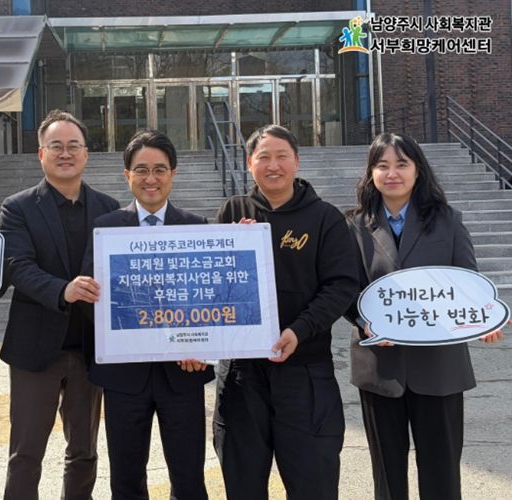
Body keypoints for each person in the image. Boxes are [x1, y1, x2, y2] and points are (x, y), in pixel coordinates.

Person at [345, 132, 507, 500]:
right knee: (388, 478)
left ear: (418, 170)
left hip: (440, 369)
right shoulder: (354, 225)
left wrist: (484, 319)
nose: (392, 173)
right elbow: (345, 288)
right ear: (371, 173)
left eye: (402, 164)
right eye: (382, 165)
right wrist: (364, 322)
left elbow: (467, 282)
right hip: (380, 368)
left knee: (442, 475)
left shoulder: (448, 220)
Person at [212, 124, 359, 500]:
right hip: (242, 374)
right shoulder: (233, 211)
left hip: (305, 371)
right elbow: (213, 283)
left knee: (313, 483)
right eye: (263, 157)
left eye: (281, 156)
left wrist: (299, 330)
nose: (273, 165)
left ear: (297, 161)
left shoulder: (325, 218)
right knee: (242, 483)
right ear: (250, 163)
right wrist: (231, 251)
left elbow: (341, 285)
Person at [84, 129, 213, 500]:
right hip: (124, 376)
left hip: (184, 373)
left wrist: (201, 344)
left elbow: (209, 297)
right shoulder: (106, 227)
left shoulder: (196, 227)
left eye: (159, 169)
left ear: (173, 173)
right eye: (141, 170)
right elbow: (93, 301)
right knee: (126, 481)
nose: (150, 178)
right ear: (127, 175)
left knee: (189, 480)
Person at [0, 109, 119, 500]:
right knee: (25, 453)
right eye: (56, 146)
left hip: (90, 350)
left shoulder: (110, 208)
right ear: (41, 154)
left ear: (86, 153)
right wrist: (62, 290)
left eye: (73, 146)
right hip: (35, 350)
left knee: (84, 452)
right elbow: (16, 266)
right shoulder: (17, 207)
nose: (65, 153)